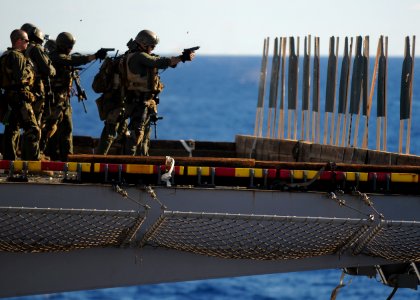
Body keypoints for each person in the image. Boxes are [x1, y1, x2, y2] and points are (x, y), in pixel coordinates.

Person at [123, 29, 195, 156]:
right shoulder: (138, 56)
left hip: (144, 102)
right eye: (151, 46)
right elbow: (156, 62)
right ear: (143, 44)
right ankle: (128, 165)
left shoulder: (137, 55)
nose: (153, 48)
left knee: (144, 137)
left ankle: (142, 164)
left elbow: (157, 59)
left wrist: (177, 59)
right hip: (138, 102)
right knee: (135, 135)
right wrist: (181, 58)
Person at [40, 32, 108, 161]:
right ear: (62, 46)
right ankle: (44, 154)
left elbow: (74, 58)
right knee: (50, 128)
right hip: (54, 100)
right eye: (69, 46)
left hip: (63, 100)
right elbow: (73, 60)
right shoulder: (55, 57)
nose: (70, 49)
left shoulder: (63, 56)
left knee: (67, 129)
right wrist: (94, 56)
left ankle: (67, 158)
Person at [0, 29, 40, 161]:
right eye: (26, 40)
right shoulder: (17, 56)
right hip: (19, 99)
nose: (28, 43)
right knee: (33, 130)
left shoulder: (5, 55)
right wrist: (30, 69)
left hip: (8, 98)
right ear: (18, 41)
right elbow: (20, 78)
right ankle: (34, 163)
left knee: (11, 130)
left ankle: (9, 163)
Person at [22, 24, 56, 126]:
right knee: (36, 124)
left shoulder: (19, 49)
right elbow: (48, 70)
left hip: (24, 89)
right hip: (36, 89)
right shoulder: (35, 48)